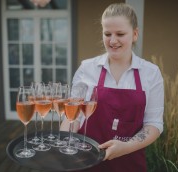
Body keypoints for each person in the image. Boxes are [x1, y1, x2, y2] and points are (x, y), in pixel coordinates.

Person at [60, 2, 164, 172]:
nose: (113, 40)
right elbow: (73, 116)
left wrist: (125, 146)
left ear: (135, 34)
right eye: (107, 33)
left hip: (130, 163)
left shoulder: (151, 73)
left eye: (120, 34)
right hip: (87, 162)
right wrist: (66, 141)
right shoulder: (86, 69)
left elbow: (154, 124)